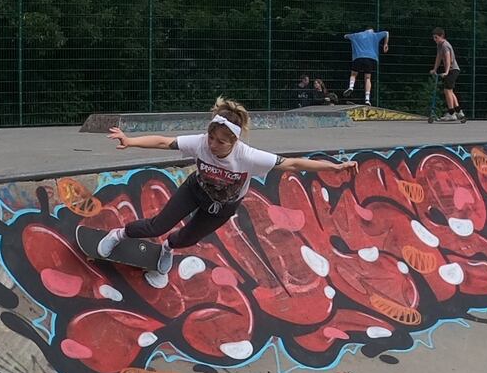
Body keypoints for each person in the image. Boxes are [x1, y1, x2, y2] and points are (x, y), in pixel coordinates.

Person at [98, 96, 359, 275]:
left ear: (234, 141)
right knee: (157, 226)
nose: (212, 145)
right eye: (211, 138)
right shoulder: (201, 142)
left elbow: (292, 164)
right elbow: (164, 142)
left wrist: (335, 167)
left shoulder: (248, 156)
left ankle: (167, 248)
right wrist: (130, 141)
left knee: (188, 238)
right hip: (195, 191)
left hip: (223, 206)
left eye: (220, 142)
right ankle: (119, 235)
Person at [343, 26, 389, 106]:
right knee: (367, 78)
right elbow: (386, 33)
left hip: (358, 57)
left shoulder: (357, 35)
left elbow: (345, 36)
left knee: (353, 74)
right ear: (372, 30)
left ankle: (351, 86)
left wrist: (348, 36)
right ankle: (367, 99)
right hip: (370, 58)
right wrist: (385, 44)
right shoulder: (375, 35)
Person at [429, 28, 465, 122]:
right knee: (450, 91)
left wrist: (447, 72)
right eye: (434, 38)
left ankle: (451, 113)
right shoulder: (439, 45)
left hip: (453, 70)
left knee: (447, 90)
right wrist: (435, 69)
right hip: (451, 70)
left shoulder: (445, 45)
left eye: (436, 37)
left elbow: (448, 59)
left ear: (441, 36)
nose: (434, 40)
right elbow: (438, 57)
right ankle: (459, 112)